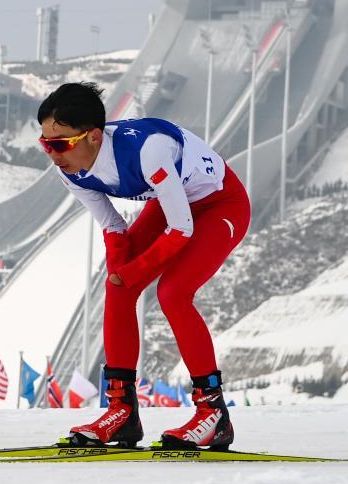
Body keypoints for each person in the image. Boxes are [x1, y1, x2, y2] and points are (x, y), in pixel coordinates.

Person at [36, 82, 251, 450]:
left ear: (93, 137)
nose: (52, 154)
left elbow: (181, 230)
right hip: (171, 203)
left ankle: (213, 413)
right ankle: (121, 412)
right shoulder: (69, 168)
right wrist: (122, 277)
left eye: (60, 144)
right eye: (45, 144)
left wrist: (132, 273)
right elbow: (113, 226)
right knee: (117, 288)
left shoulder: (148, 151)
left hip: (220, 205)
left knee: (173, 293)